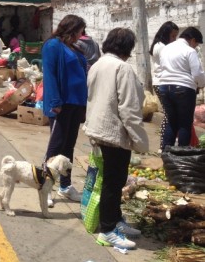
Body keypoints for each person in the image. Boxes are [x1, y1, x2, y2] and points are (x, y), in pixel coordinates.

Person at [84, 28, 149, 249]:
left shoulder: (98, 65)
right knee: (113, 182)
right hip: (114, 134)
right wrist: (141, 142)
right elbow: (129, 109)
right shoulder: (123, 68)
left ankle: (115, 221)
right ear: (128, 48)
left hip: (98, 129)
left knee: (112, 181)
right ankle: (108, 230)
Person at [41, 14, 88, 205]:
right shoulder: (52, 46)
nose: (81, 35)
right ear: (70, 29)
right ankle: (46, 187)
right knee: (55, 147)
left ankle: (65, 186)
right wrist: (55, 102)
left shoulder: (73, 48)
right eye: (79, 31)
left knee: (69, 146)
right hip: (61, 103)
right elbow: (50, 75)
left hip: (76, 103)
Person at [157, 27, 205, 148]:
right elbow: (197, 74)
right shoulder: (189, 51)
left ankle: (166, 154)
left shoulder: (166, 48)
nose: (196, 47)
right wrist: (201, 84)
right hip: (183, 89)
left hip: (164, 88)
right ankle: (181, 156)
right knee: (184, 124)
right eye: (196, 44)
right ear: (192, 40)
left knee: (171, 122)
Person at [149, 21, 179, 150]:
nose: (174, 40)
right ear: (165, 34)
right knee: (169, 115)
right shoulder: (161, 47)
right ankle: (164, 144)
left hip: (162, 82)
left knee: (169, 114)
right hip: (162, 82)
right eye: (172, 36)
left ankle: (166, 143)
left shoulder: (161, 45)